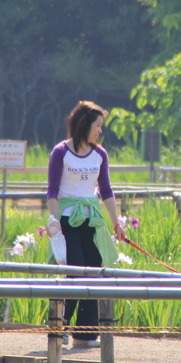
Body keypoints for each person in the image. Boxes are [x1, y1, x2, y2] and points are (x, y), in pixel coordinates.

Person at [46, 100, 127, 348]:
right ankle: (60, 328)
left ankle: (86, 333)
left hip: (92, 220)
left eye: (102, 126)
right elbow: (53, 191)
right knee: (75, 271)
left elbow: (106, 191)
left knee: (96, 270)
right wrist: (54, 221)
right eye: (98, 126)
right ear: (84, 125)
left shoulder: (100, 154)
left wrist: (116, 223)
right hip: (68, 220)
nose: (100, 131)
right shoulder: (61, 152)